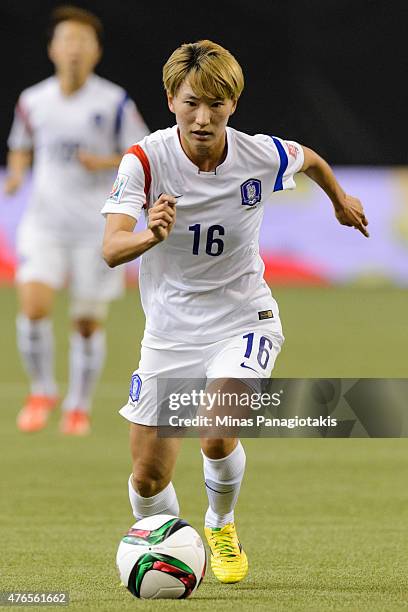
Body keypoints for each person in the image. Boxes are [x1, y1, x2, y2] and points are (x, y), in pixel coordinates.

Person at [102, 40, 368, 584]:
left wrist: (340, 200)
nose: (203, 117)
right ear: (172, 98)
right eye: (192, 102)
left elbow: (309, 158)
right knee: (148, 479)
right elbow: (110, 249)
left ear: (233, 105)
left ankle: (220, 523)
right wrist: (150, 235)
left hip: (244, 318)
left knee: (217, 431)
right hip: (170, 333)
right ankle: (170, 549)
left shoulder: (258, 154)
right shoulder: (145, 161)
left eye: (216, 105)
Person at [4, 6, 149, 435]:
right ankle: (42, 389)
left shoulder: (115, 101)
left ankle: (78, 405)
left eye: (82, 42)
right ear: (52, 48)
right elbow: (20, 144)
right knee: (33, 307)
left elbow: (141, 153)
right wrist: (15, 173)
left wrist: (103, 161)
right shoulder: (33, 101)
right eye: (66, 40)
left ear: (96, 51)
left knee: (86, 322)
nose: (74, 49)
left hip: (96, 228)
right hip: (44, 222)